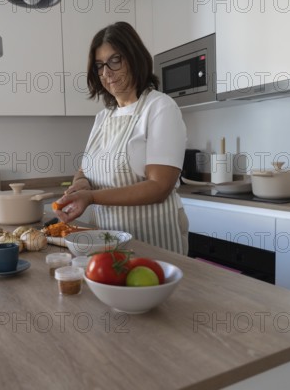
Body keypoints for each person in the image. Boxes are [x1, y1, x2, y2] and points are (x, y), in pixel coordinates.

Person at [54, 21, 189, 255]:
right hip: (107, 243)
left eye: (115, 60)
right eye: (99, 66)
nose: (106, 73)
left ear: (134, 58)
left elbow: (159, 187)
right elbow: (85, 170)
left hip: (153, 242)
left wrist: (92, 196)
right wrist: (79, 186)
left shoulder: (159, 107)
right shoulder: (103, 118)